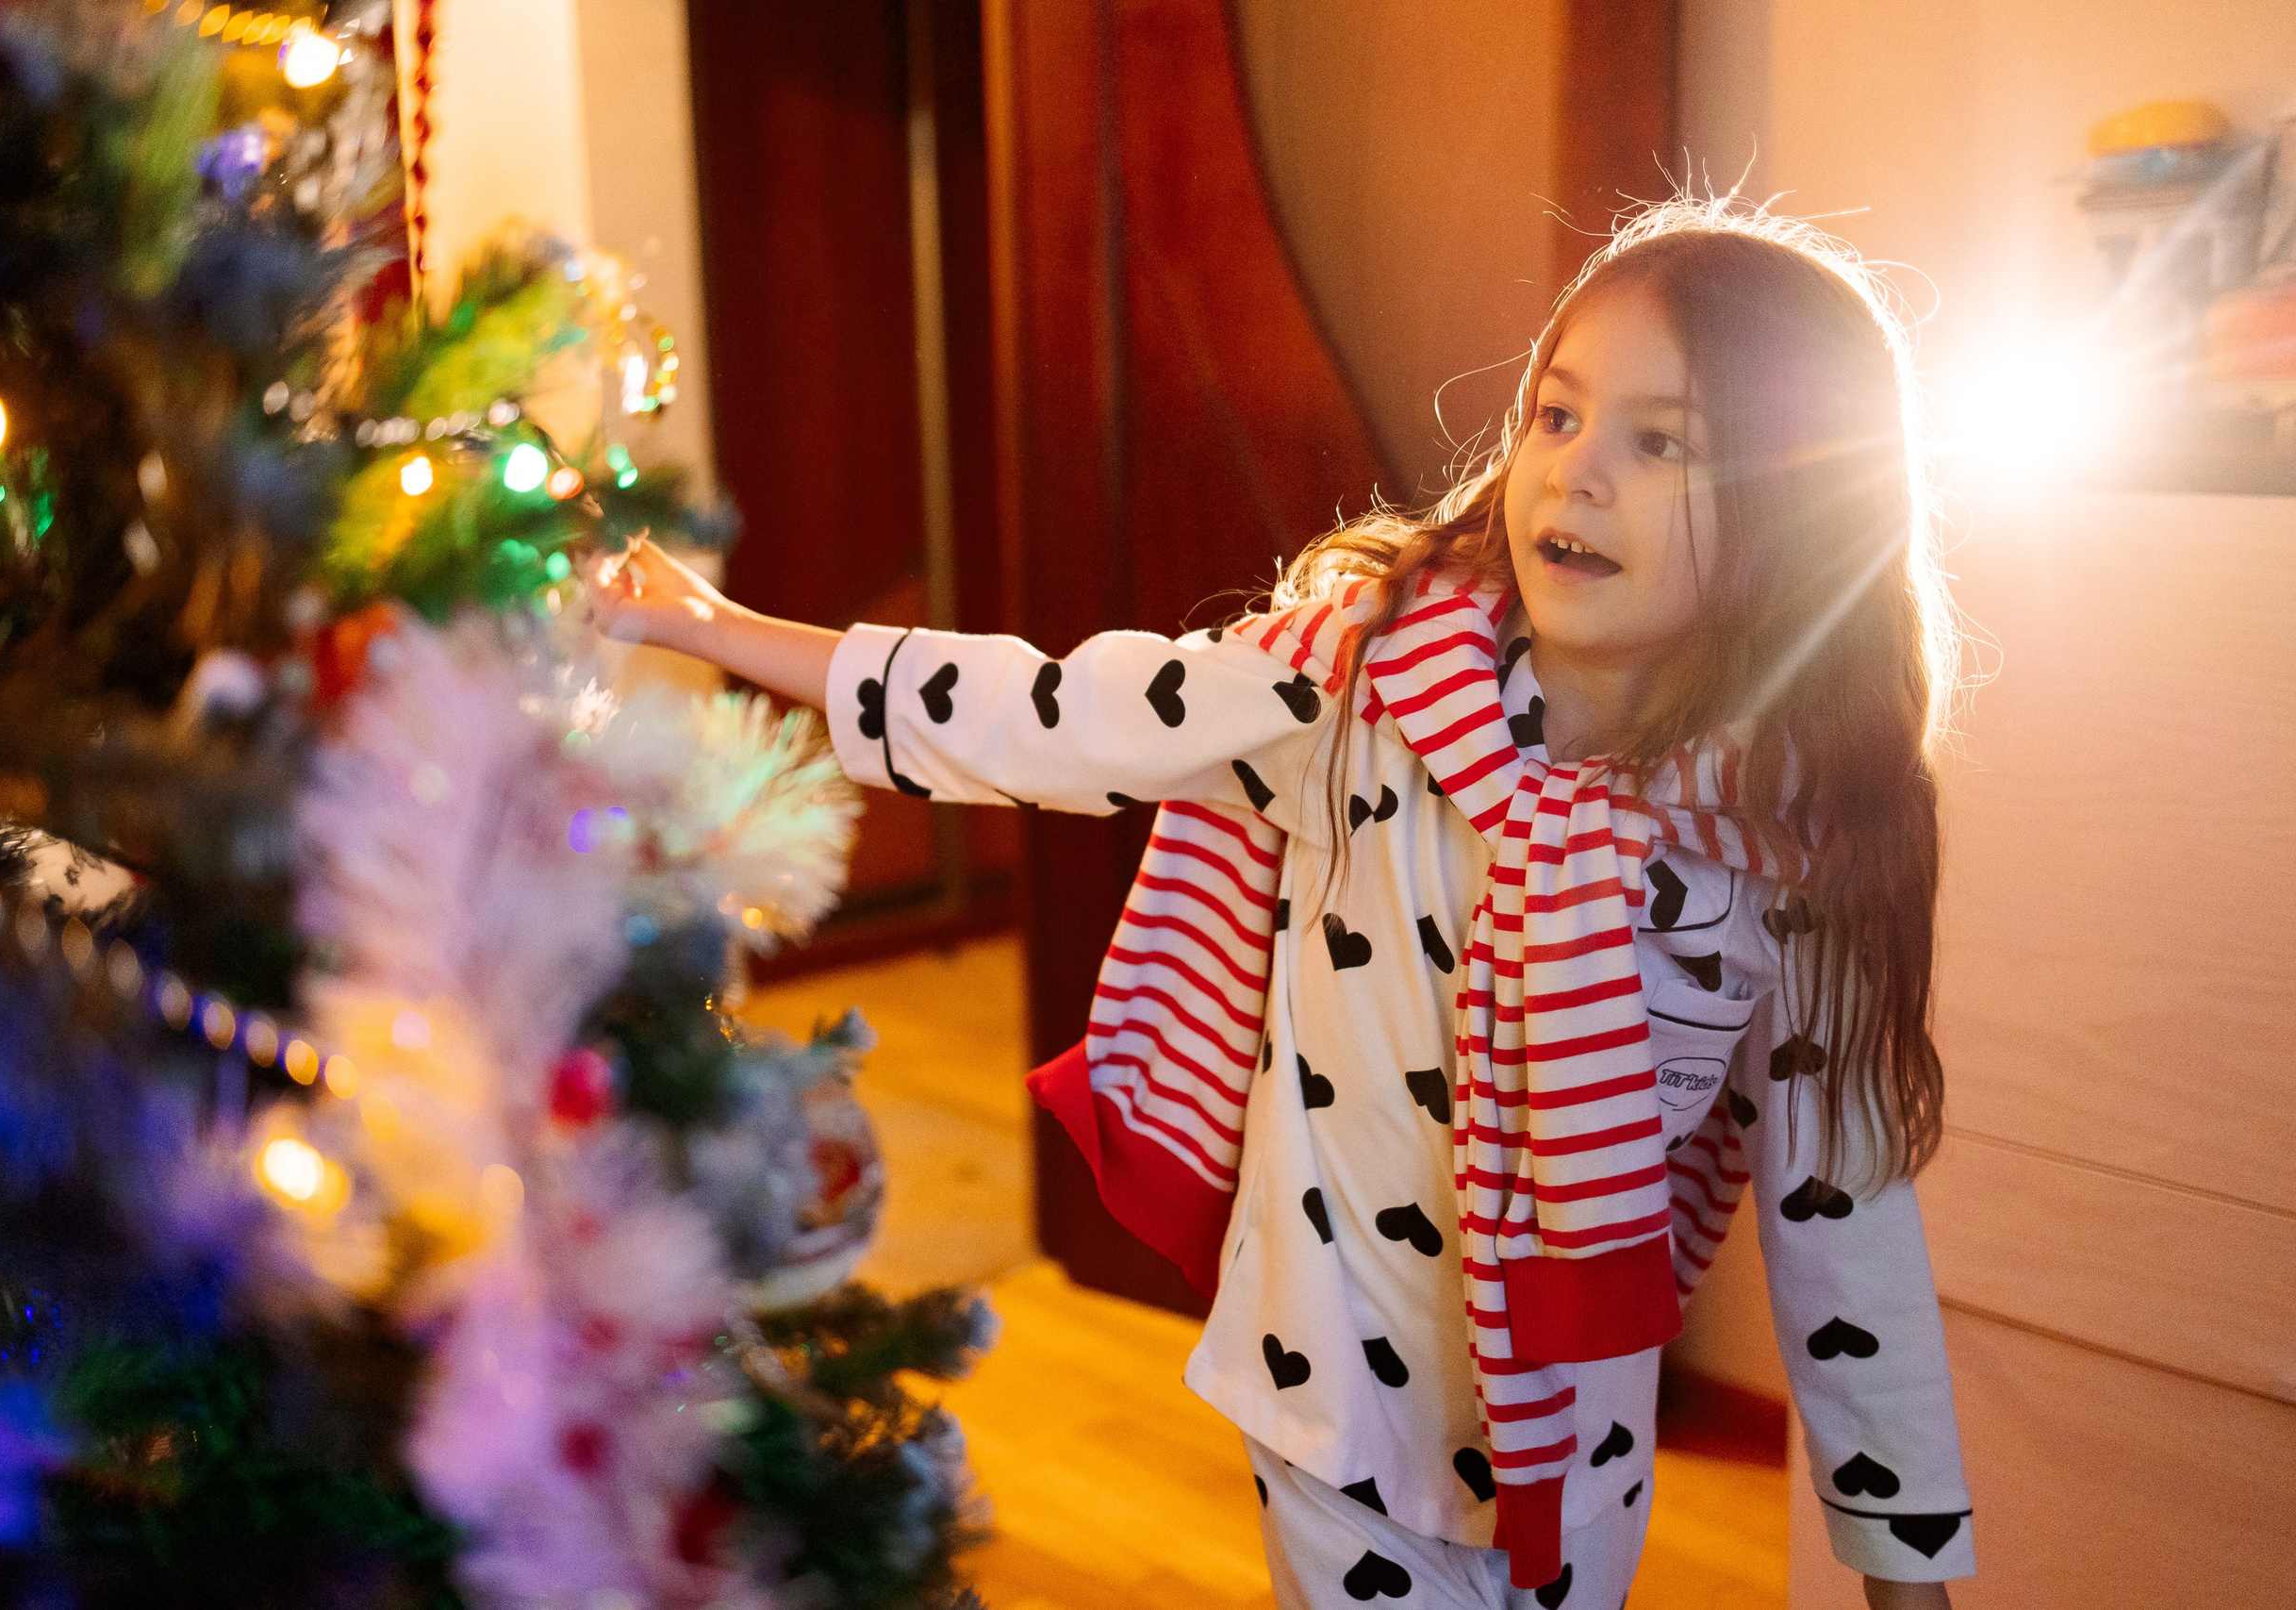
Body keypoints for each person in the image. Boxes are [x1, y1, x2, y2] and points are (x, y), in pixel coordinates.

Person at [586, 199, 1972, 1610]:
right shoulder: (1356, 689)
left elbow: (1844, 1213)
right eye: (1555, 417)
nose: (1578, 475)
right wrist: (711, 626)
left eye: (1659, 441)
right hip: (1333, 1402)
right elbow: (1053, 712)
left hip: (1576, 1447)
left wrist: (1905, 1580)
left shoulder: (1794, 843)